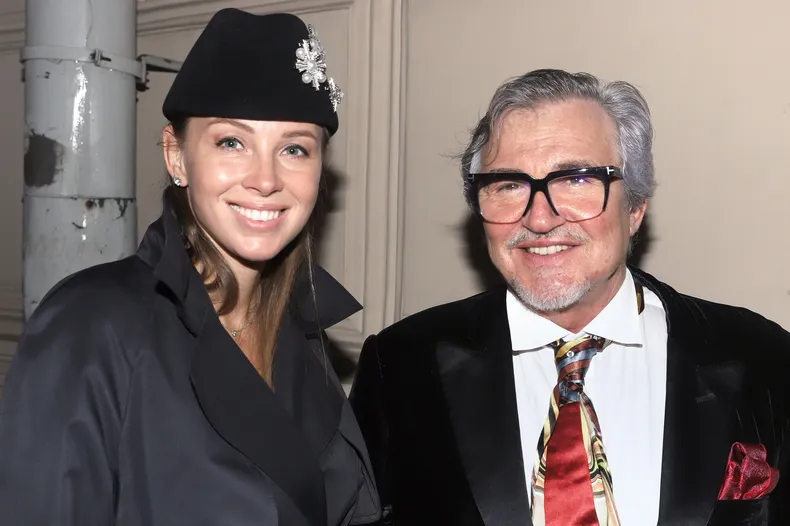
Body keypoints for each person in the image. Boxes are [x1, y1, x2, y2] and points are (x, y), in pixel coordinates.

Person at [349, 69, 790, 525]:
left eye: (577, 179)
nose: (540, 218)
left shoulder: (764, 358)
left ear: (635, 207)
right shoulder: (399, 366)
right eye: (509, 185)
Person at [0, 9, 380, 526]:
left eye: (294, 148)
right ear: (176, 156)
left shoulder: (301, 333)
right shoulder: (91, 326)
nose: (265, 179)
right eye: (232, 142)